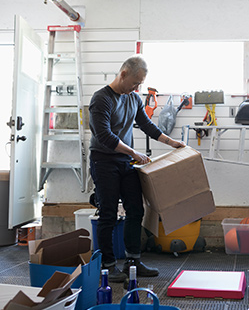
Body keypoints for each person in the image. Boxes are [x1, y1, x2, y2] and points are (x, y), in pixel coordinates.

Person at [89, 54, 185, 282]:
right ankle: (108, 265)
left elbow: (146, 124)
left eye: (140, 83)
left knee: (136, 210)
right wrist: (133, 152)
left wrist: (171, 142)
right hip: (104, 161)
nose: (137, 87)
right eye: (135, 82)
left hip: (126, 162)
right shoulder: (101, 99)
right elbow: (104, 136)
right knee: (108, 214)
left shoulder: (133, 98)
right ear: (123, 74)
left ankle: (133, 261)